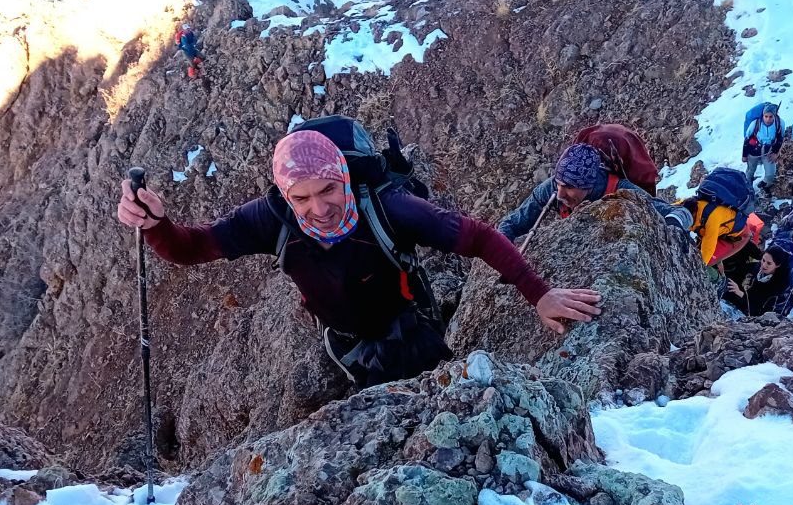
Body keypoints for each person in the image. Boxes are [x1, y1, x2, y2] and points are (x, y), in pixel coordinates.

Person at [117, 130, 602, 387]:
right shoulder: (271, 218)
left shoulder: (390, 208)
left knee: (433, 401)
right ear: (285, 194)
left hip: (410, 328)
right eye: (301, 198)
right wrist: (156, 225)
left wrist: (538, 294)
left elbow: (478, 237)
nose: (318, 208)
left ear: (345, 177)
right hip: (345, 342)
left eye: (329, 190)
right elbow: (191, 247)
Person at [498, 143, 690, 243]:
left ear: (588, 185)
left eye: (569, 187)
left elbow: (682, 212)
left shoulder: (622, 191)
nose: (560, 194)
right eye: (558, 184)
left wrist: (672, 224)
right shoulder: (551, 189)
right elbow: (511, 223)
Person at [724, 246, 792, 316]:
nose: (764, 265)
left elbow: (759, 305)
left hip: (761, 312)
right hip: (746, 298)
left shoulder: (779, 284)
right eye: (763, 260)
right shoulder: (757, 266)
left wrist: (739, 292)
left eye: (769, 263)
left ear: (777, 265)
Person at [742, 103, 783, 189]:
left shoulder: (779, 123)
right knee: (750, 171)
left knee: (770, 174)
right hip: (754, 150)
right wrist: (744, 155)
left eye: (771, 116)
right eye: (766, 116)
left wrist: (775, 153)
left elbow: (780, 138)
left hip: (769, 151)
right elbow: (747, 139)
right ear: (763, 115)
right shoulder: (755, 123)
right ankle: (747, 187)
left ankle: (765, 184)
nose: (768, 119)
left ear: (774, 116)